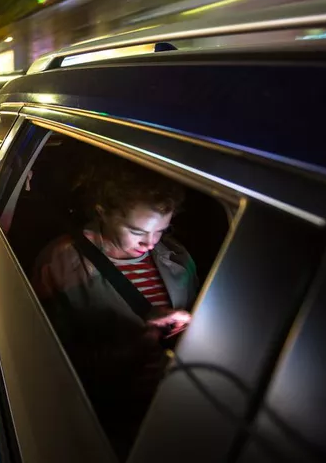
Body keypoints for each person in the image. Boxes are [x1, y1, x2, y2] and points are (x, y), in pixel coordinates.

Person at [30, 155, 198, 457]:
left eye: (161, 230)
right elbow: (46, 368)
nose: (150, 242)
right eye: (136, 231)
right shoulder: (60, 264)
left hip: (177, 414)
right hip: (106, 424)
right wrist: (133, 349)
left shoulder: (177, 258)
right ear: (102, 211)